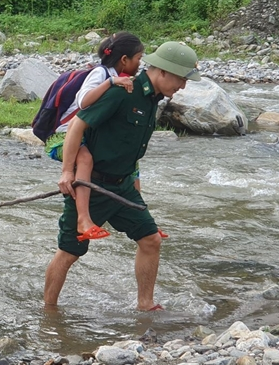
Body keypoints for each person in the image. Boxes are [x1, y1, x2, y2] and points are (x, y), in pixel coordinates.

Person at [44, 41, 201, 312]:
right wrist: (67, 171)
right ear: (163, 71)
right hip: (91, 185)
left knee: (151, 240)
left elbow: (133, 153)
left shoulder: (153, 100)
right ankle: (48, 312)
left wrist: (138, 198)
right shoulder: (122, 91)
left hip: (123, 187)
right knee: (69, 253)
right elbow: (77, 126)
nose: (183, 87)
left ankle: (145, 304)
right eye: (181, 79)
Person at [44, 32, 144, 241]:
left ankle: (141, 215)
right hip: (64, 136)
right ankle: (83, 219)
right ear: (124, 60)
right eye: (139, 58)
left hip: (88, 135)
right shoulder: (100, 74)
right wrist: (110, 83)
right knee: (85, 158)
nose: (141, 63)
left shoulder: (122, 78)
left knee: (132, 163)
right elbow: (83, 102)